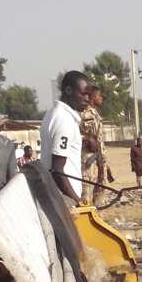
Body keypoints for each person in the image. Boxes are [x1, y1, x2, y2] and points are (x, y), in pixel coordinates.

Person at [41, 70, 92, 206]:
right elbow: (57, 169)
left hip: (54, 195)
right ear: (68, 90)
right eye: (84, 94)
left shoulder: (52, 114)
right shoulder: (64, 120)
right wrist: (77, 200)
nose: (88, 99)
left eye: (89, 94)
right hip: (64, 198)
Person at [79, 86, 108, 205]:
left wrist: (103, 162)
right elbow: (72, 134)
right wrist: (87, 139)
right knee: (86, 196)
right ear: (91, 97)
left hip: (99, 161)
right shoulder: (81, 113)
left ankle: (99, 220)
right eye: (99, 95)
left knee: (101, 192)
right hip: (87, 162)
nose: (101, 98)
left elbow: (99, 139)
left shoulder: (96, 114)